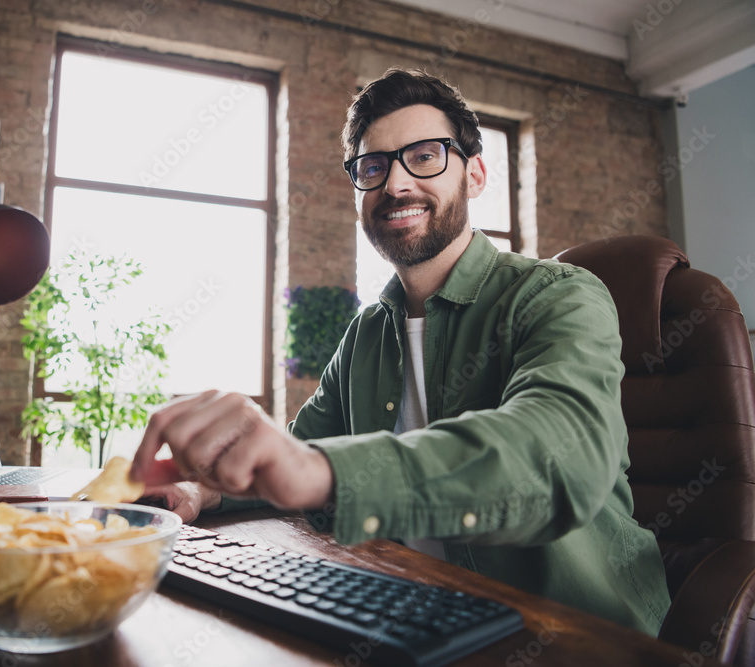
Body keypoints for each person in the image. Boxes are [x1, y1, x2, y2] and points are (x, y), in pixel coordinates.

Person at [131, 67, 671, 635]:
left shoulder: (559, 295)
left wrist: (315, 471)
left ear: (477, 174)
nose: (395, 184)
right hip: (417, 620)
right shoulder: (366, 332)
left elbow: (561, 454)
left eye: (425, 156)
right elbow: (299, 451)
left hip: (571, 638)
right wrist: (199, 490)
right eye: (374, 167)